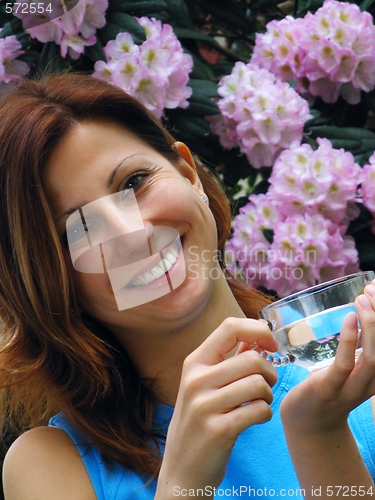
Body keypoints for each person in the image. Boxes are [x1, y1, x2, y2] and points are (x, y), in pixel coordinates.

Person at [0, 72, 375, 500]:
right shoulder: (54, 465)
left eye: (133, 183)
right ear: (50, 278)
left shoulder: (357, 378)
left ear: (188, 175)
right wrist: (183, 484)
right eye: (81, 228)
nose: (134, 234)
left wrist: (319, 434)